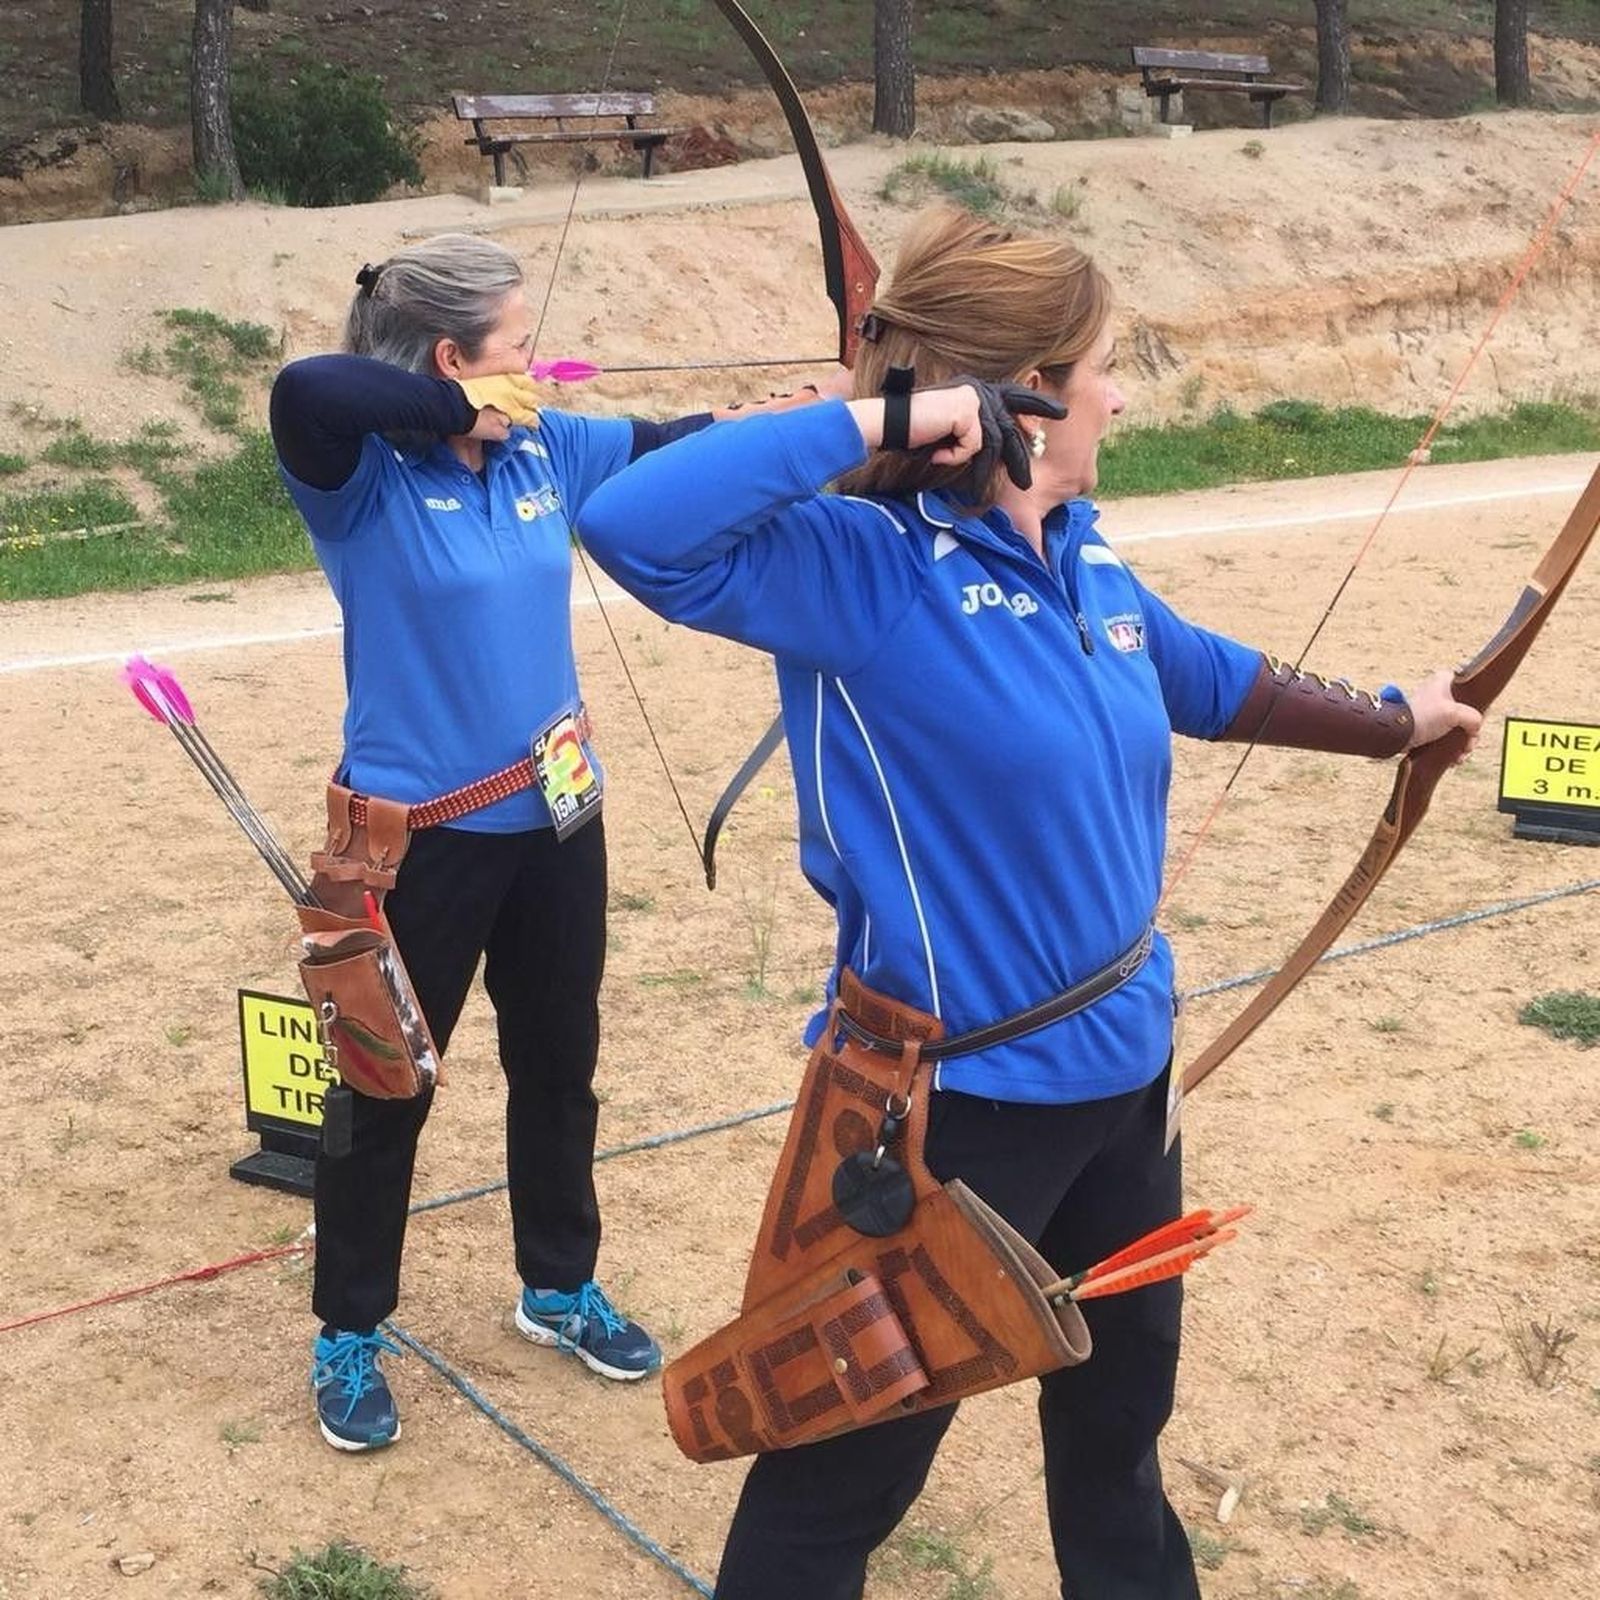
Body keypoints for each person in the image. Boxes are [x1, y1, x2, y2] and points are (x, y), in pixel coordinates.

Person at [576, 206, 1482, 1598]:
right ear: (1026, 395)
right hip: (949, 1114)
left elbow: (1212, 680)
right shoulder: (865, 572)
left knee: (1119, 1436)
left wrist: (1393, 723)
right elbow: (632, 523)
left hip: (1128, 1087)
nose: (1120, 394)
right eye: (1104, 366)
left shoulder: (1090, 560)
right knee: (839, 1479)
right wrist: (892, 411)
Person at [270, 232, 743, 1452]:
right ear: (449, 362)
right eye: (515, 347)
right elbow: (304, 387)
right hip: (417, 838)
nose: (538, 367)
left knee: (558, 1061)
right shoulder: (359, 473)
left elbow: (672, 446)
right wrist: (450, 409)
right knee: (384, 1090)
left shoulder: (544, 446)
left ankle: (556, 1284)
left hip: (556, 821)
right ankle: (349, 1329)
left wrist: (806, 418)